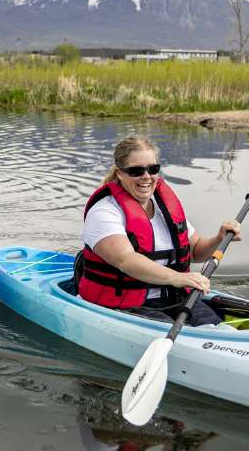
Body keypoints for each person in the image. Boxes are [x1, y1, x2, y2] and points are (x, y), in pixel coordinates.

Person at [78, 135, 240, 325]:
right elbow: (126, 261)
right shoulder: (104, 211)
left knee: (214, 325)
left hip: (173, 298)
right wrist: (177, 277)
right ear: (120, 173)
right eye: (136, 171)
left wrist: (218, 239)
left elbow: (195, 252)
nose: (146, 177)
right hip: (123, 304)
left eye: (152, 169)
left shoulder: (166, 208)